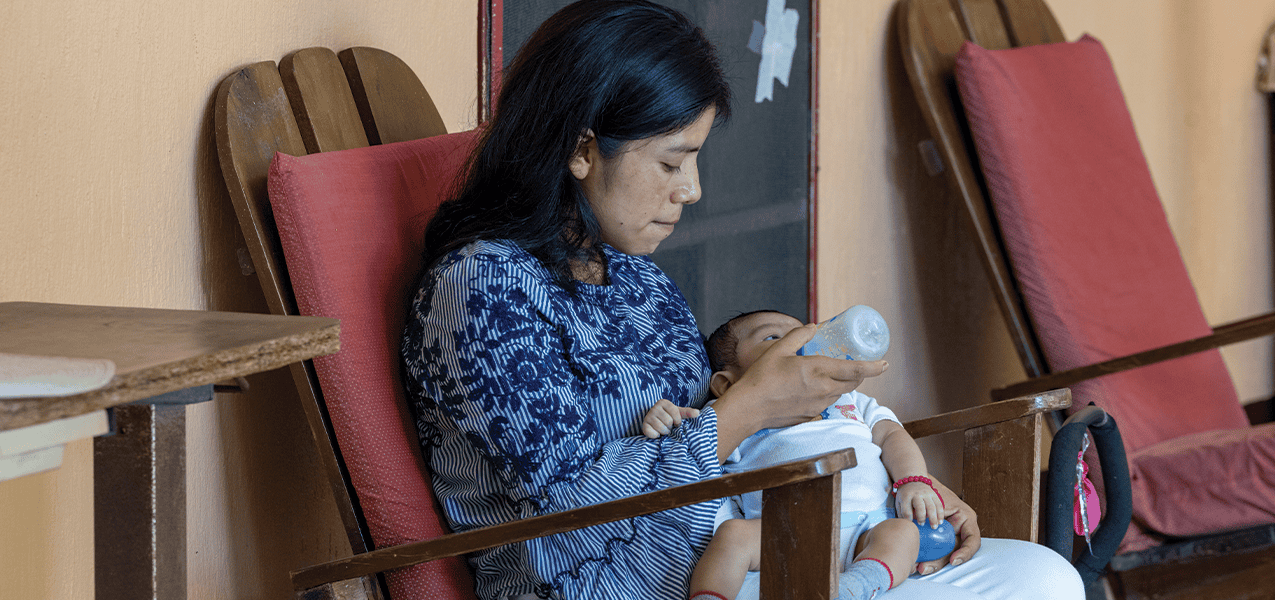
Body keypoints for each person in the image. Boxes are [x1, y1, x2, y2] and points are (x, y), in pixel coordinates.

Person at [400, 1, 1084, 599]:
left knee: (1044, 577)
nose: (691, 190)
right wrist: (753, 403)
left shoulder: (636, 278)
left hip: (755, 551)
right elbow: (570, 500)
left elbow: (723, 445)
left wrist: (899, 492)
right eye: (671, 162)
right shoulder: (486, 289)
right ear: (582, 149)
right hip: (628, 585)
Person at [643, 310, 950, 600]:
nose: (799, 343)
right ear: (727, 384)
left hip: (869, 528)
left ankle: (856, 586)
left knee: (903, 533)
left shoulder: (851, 401)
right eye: (774, 338)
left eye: (802, 334)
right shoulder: (730, 414)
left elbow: (893, 436)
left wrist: (913, 480)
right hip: (783, 532)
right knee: (733, 536)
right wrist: (665, 418)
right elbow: (692, 448)